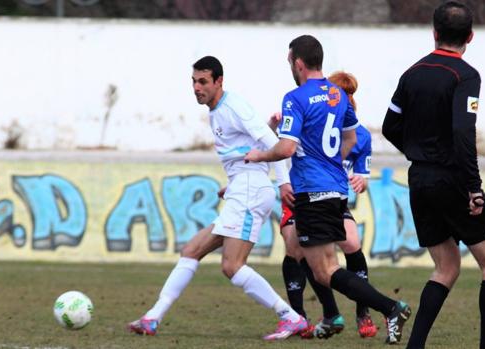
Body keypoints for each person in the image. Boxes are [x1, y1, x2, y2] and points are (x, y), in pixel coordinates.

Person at [245, 35, 411, 345]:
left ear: (298, 63)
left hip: (312, 192)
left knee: (324, 269)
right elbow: (350, 138)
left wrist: (259, 155)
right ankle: (339, 315)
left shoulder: (295, 97)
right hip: (336, 191)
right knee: (320, 266)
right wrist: (331, 162)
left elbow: (285, 148)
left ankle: (391, 308)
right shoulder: (337, 95)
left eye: (289, 63)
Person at [128, 56, 308, 341]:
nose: (197, 88)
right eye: (193, 82)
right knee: (191, 251)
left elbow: (274, 146)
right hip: (242, 188)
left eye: (203, 82)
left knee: (231, 265)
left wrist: (283, 184)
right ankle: (152, 317)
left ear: (219, 81)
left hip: (250, 192)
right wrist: (234, 182)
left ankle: (292, 318)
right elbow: (249, 148)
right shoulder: (216, 111)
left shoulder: (234, 107)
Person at [382, 2, 485, 349]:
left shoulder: (412, 73)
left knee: (446, 267)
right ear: (470, 36)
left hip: (419, 179)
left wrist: (418, 152)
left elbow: (391, 125)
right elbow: (463, 133)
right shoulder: (466, 75)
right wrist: (474, 188)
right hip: (452, 180)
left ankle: (416, 345)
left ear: (434, 32)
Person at [275, 72, 377, 339]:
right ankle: (302, 317)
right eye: (344, 92)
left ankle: (362, 312)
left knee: (352, 244)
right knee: (295, 248)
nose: (349, 98)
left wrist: (361, 181)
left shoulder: (359, 135)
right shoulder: (307, 113)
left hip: (331, 198)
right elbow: (283, 146)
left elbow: (362, 172)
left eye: (352, 93)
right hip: (302, 194)